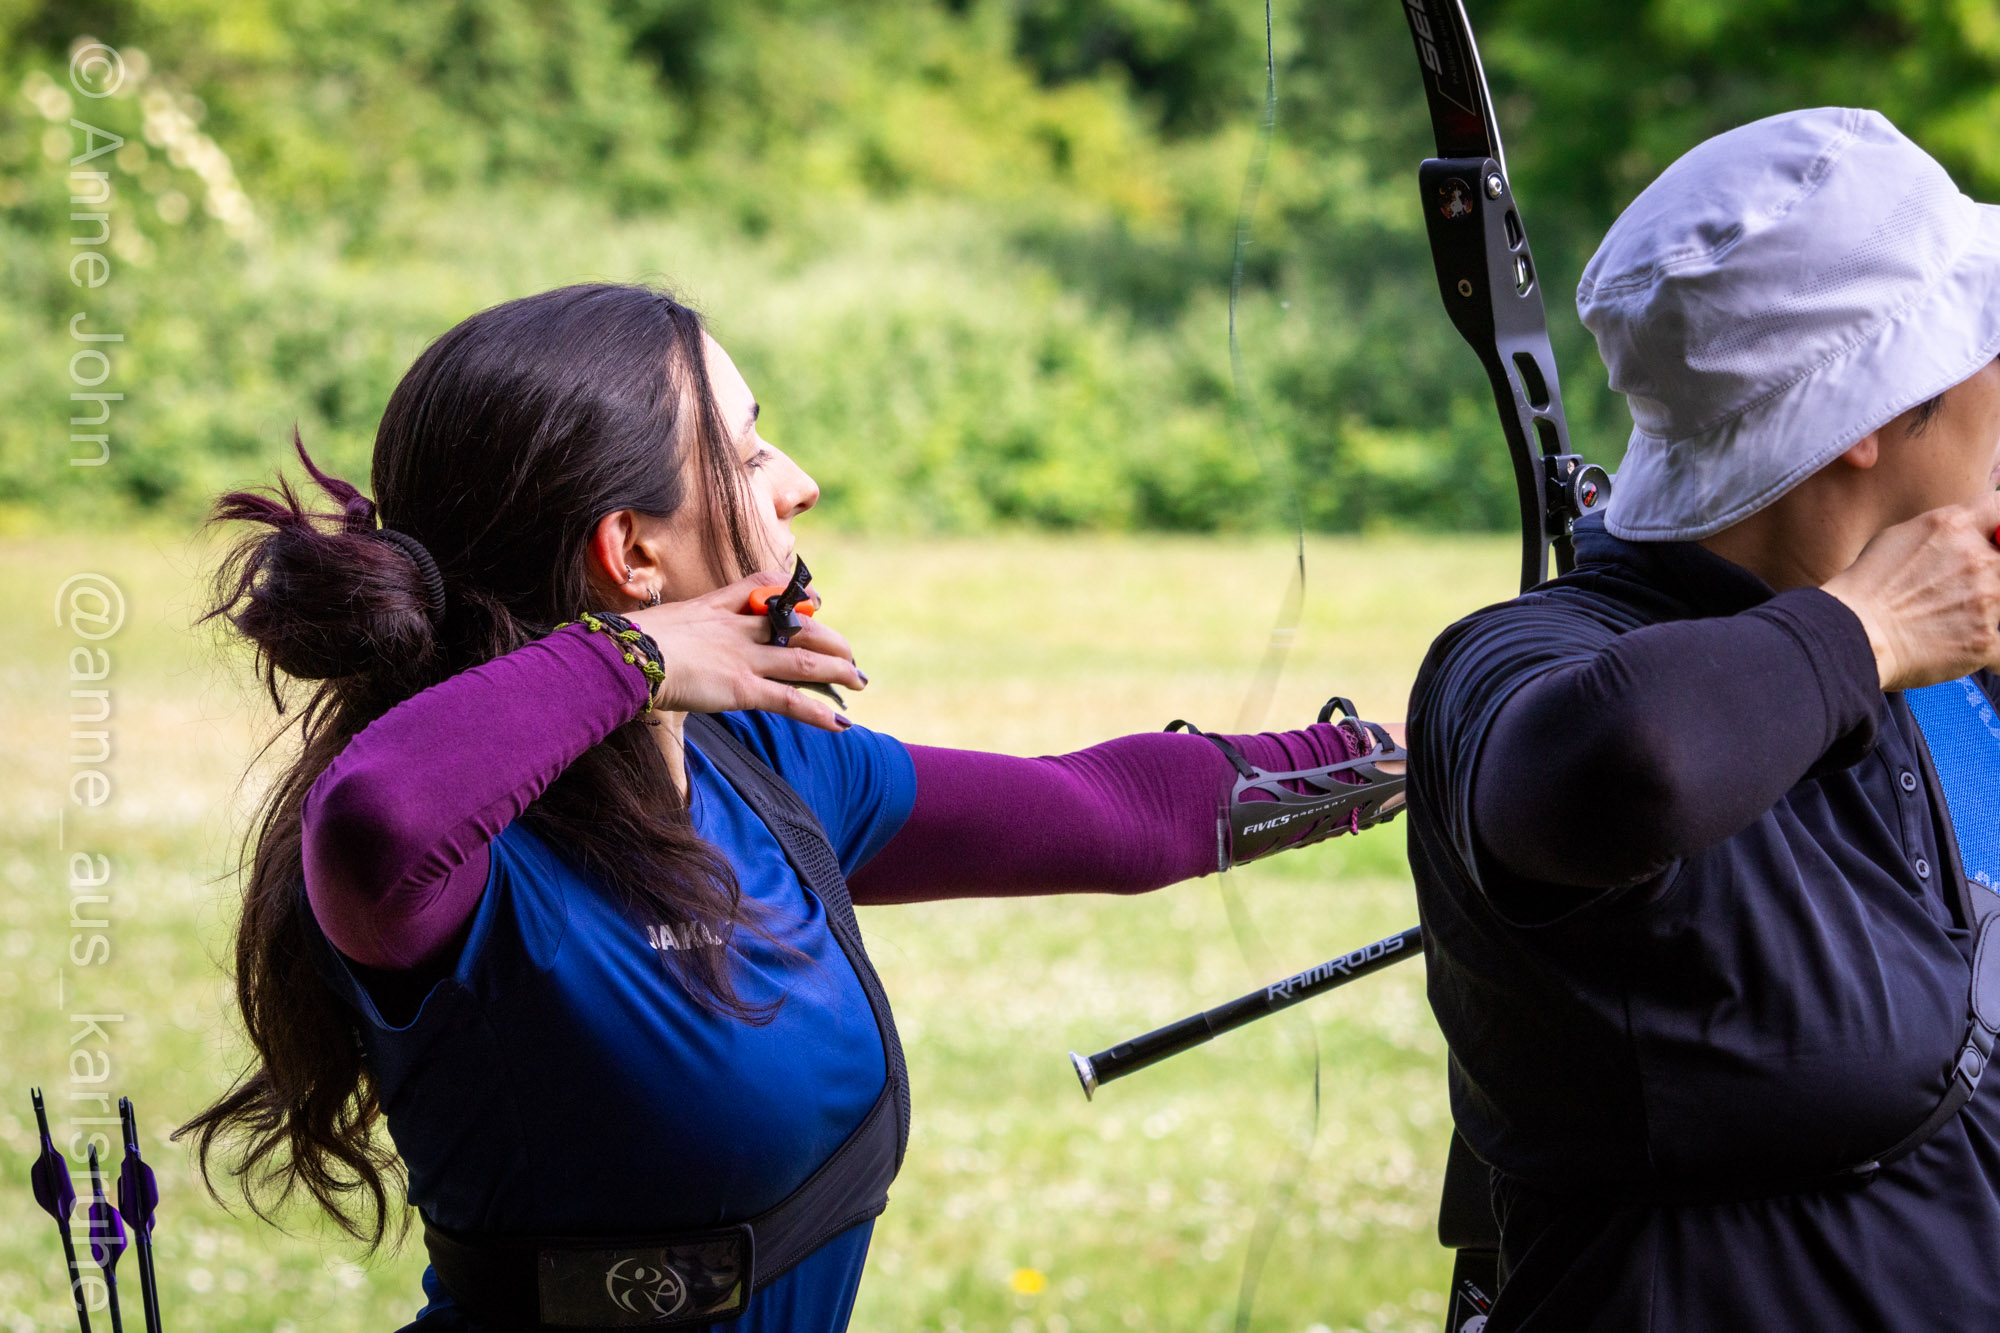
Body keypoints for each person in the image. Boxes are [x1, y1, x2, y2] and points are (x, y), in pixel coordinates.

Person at [175, 283, 1401, 1331]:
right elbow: (374, 814)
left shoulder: (764, 771)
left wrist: (1414, 759)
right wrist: (636, 658)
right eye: (750, 454)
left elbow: (1113, 813)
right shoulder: (458, 869)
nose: (799, 484)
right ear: (631, 554)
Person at [1408, 106, 2000, 1330]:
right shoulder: (1522, 661)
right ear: (1872, 420)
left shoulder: (1888, 651)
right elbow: (1632, 761)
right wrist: (1867, 630)